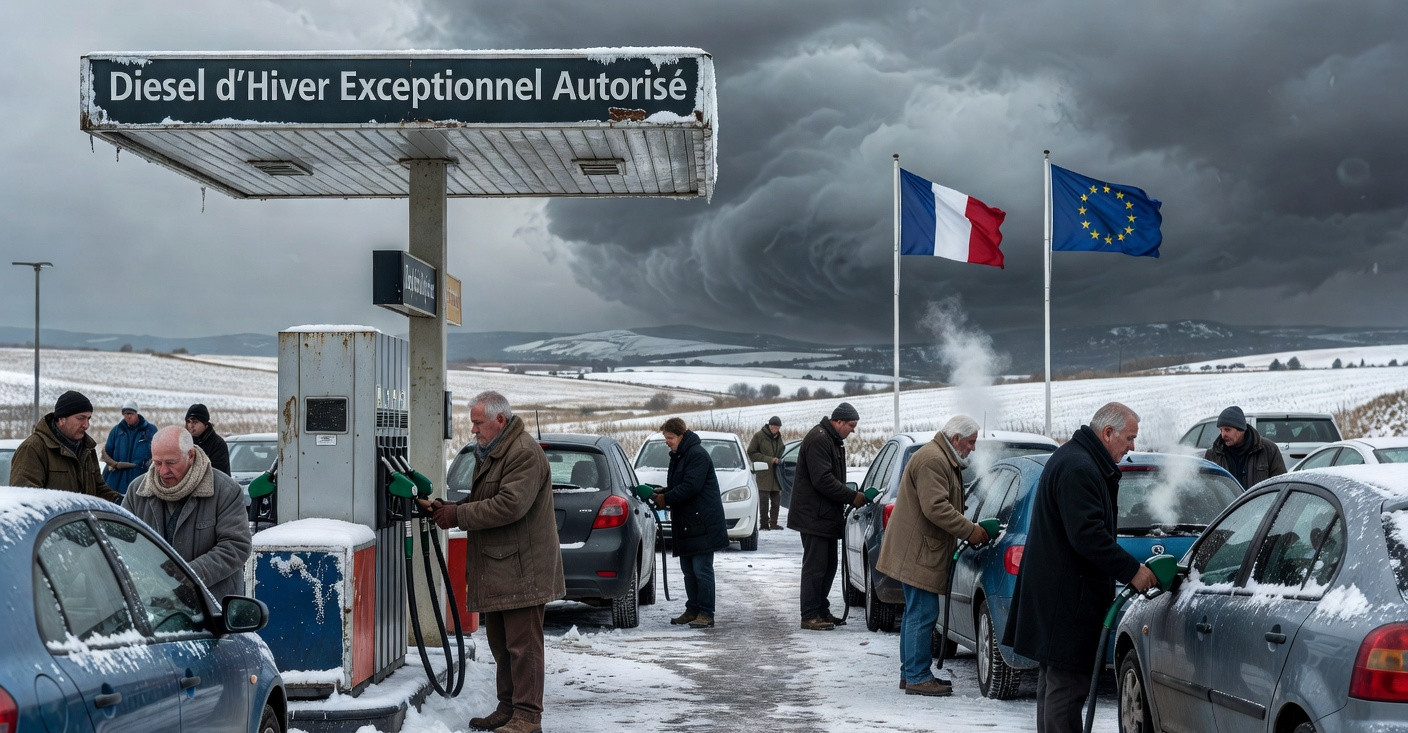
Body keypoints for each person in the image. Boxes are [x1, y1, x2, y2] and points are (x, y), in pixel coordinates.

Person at [1003, 402, 1157, 733]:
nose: (1132, 447)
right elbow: (1088, 537)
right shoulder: (1080, 469)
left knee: (1055, 688)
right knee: (1066, 690)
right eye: (1129, 438)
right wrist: (1133, 570)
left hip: (1061, 598)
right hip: (1067, 602)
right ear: (1108, 432)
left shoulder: (1076, 459)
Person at [421, 391, 563, 733]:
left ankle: (528, 716)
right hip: (503, 566)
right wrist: (449, 507)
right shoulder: (496, 451)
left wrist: (458, 515)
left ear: (500, 420)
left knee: (523, 645)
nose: (473, 430)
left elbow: (510, 505)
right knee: (502, 643)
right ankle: (508, 707)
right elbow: (489, 497)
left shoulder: (523, 453)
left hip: (522, 569)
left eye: (478, 423)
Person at [876, 415, 989, 697]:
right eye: (971, 442)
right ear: (955, 440)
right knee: (923, 612)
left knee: (917, 611)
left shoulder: (938, 456)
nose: (973, 449)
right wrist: (971, 531)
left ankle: (911, 673)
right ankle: (916, 676)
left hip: (916, 549)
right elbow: (936, 508)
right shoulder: (933, 460)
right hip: (918, 552)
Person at [122, 426, 252, 600]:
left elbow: (236, 546)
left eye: (170, 462)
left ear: (190, 456)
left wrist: (190, 574)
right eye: (157, 463)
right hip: (156, 606)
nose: (163, 471)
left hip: (212, 606)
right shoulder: (137, 491)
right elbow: (123, 542)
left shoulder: (225, 491)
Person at [788, 402, 868, 631]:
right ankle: (810, 614)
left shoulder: (830, 439)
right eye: (851, 426)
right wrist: (851, 496)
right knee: (816, 567)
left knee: (828, 565)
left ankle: (821, 610)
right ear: (839, 421)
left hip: (823, 515)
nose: (852, 431)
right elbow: (822, 479)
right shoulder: (820, 439)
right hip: (815, 516)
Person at [651, 417, 728, 629]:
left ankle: (706, 613)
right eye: (666, 437)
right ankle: (693, 609)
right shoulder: (680, 455)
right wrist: (663, 492)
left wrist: (666, 498)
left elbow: (691, 487)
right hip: (687, 522)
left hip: (702, 523)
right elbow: (680, 485)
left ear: (681, 435)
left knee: (701, 569)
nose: (667, 441)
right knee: (688, 570)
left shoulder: (697, 455)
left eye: (670, 437)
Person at [9, 390, 121, 503]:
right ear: (62, 419)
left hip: (80, 520)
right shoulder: (33, 448)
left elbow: (98, 490)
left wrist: (120, 500)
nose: (86, 425)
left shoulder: (87, 449)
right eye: (81, 418)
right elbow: (25, 498)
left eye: (88, 418)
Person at [1203, 405, 1286, 489]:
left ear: (1241, 429)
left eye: (1227, 430)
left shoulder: (1269, 450)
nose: (1223, 435)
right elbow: (1206, 489)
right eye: (1221, 430)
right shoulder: (1213, 455)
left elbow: (1281, 485)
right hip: (1229, 502)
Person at [102, 399, 158, 495]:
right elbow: (107, 452)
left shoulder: (150, 430)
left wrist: (147, 465)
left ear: (136, 413)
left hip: (139, 479)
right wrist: (112, 464)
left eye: (130, 413)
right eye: (125, 414)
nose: (128, 416)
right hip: (116, 480)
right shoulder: (117, 431)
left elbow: (156, 451)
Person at [747, 415, 785, 530]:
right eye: (773, 426)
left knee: (776, 500)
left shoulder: (779, 437)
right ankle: (763, 524)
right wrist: (769, 460)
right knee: (764, 501)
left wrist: (780, 459)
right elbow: (751, 452)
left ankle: (773, 523)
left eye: (777, 427)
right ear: (769, 425)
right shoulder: (759, 436)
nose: (775, 429)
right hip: (763, 473)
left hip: (775, 474)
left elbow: (781, 450)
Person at [184, 403, 231, 476]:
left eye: (195, 422)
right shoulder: (183, 441)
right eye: (188, 422)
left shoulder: (217, 444)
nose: (191, 425)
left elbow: (216, 473)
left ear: (205, 423)